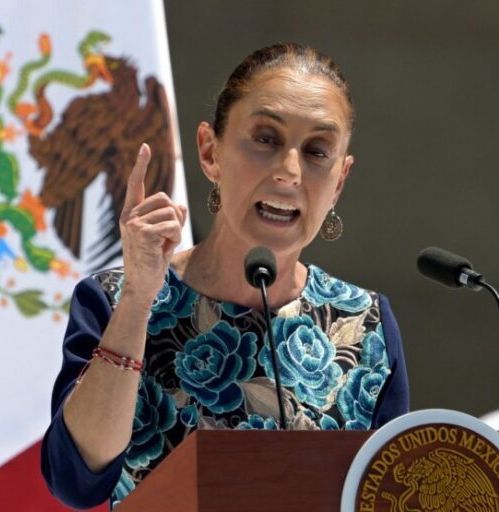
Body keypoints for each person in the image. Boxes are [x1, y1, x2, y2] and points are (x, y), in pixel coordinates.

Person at [41, 42, 410, 509]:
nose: (290, 172)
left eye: (318, 150)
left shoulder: (366, 325)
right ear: (209, 152)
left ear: (339, 182)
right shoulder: (115, 299)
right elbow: (76, 483)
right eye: (266, 139)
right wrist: (138, 299)